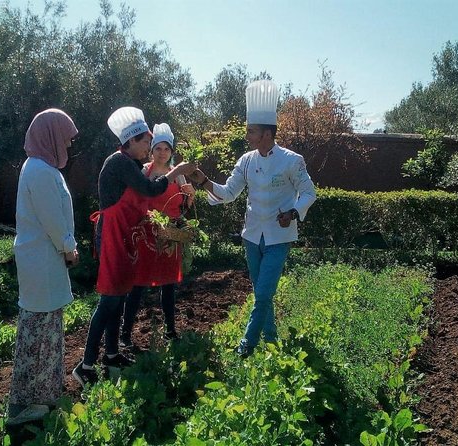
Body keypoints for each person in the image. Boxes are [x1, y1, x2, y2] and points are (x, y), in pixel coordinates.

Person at [189, 80, 317, 358]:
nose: (247, 136)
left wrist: (294, 212)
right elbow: (229, 193)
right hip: (251, 237)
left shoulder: (291, 161)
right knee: (263, 294)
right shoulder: (246, 160)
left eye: (252, 131)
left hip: (278, 238)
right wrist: (204, 182)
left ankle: (245, 347)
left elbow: (309, 193)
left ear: (267, 133)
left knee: (261, 295)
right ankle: (271, 341)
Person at [73, 107, 196, 386]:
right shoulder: (120, 163)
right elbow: (151, 190)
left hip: (126, 236)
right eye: (145, 143)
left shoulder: (128, 164)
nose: (148, 149)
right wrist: (176, 171)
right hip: (114, 235)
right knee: (109, 301)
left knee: (118, 297)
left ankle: (113, 353)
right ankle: (86, 364)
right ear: (130, 141)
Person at [8, 108, 80, 425]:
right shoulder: (39, 170)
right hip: (43, 261)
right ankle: (28, 404)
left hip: (43, 262)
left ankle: (43, 397)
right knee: (39, 333)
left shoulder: (42, 168)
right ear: (50, 136)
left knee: (46, 331)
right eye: (65, 138)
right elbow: (52, 220)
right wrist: (69, 246)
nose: (68, 144)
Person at [120, 123, 195, 347]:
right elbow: (135, 199)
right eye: (158, 148)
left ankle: (170, 330)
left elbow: (184, 207)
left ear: (172, 152)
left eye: (166, 149)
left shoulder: (179, 176)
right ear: (151, 150)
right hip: (148, 234)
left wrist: (191, 196)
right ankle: (125, 334)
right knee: (138, 283)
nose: (162, 153)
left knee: (169, 284)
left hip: (171, 235)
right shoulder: (144, 172)